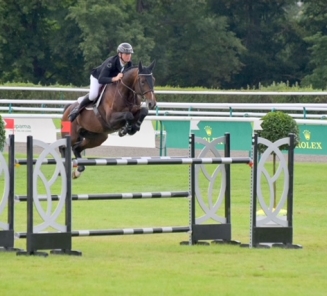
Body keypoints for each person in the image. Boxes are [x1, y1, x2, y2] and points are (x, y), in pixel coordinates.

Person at [69, 42, 134, 122]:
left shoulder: (129, 64)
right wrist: (115, 78)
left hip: (111, 81)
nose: (129, 56)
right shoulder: (111, 62)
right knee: (93, 95)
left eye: (130, 54)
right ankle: (77, 109)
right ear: (120, 54)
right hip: (98, 78)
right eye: (126, 54)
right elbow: (101, 79)